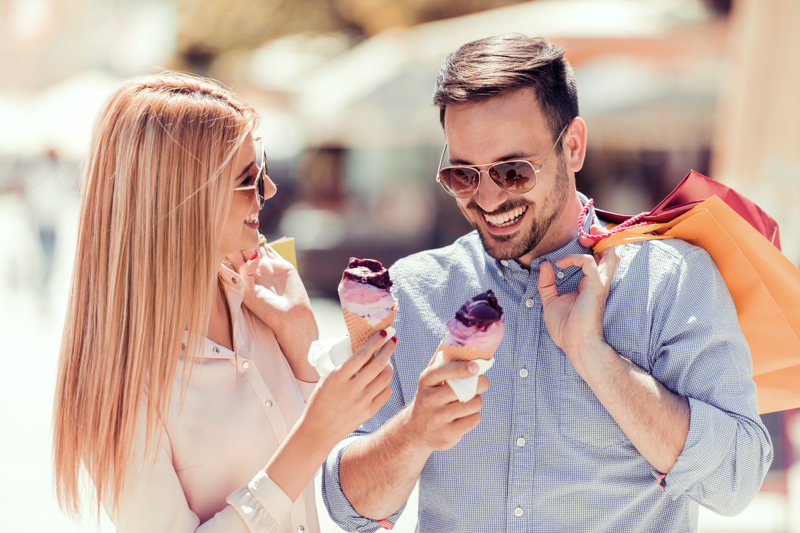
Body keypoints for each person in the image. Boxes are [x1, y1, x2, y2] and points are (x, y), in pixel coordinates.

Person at [322, 34, 773, 532]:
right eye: (462, 175)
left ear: (573, 146)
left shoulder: (671, 281)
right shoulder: (414, 291)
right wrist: (413, 432)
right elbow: (348, 511)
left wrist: (595, 357)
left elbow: (736, 483)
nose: (489, 199)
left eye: (513, 171)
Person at [51, 72, 395, 533]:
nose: (269, 192)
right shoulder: (114, 374)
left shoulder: (264, 294)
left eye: (263, 171)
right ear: (180, 199)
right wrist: (310, 439)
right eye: (247, 180)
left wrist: (301, 340)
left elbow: (329, 489)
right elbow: (308, 446)